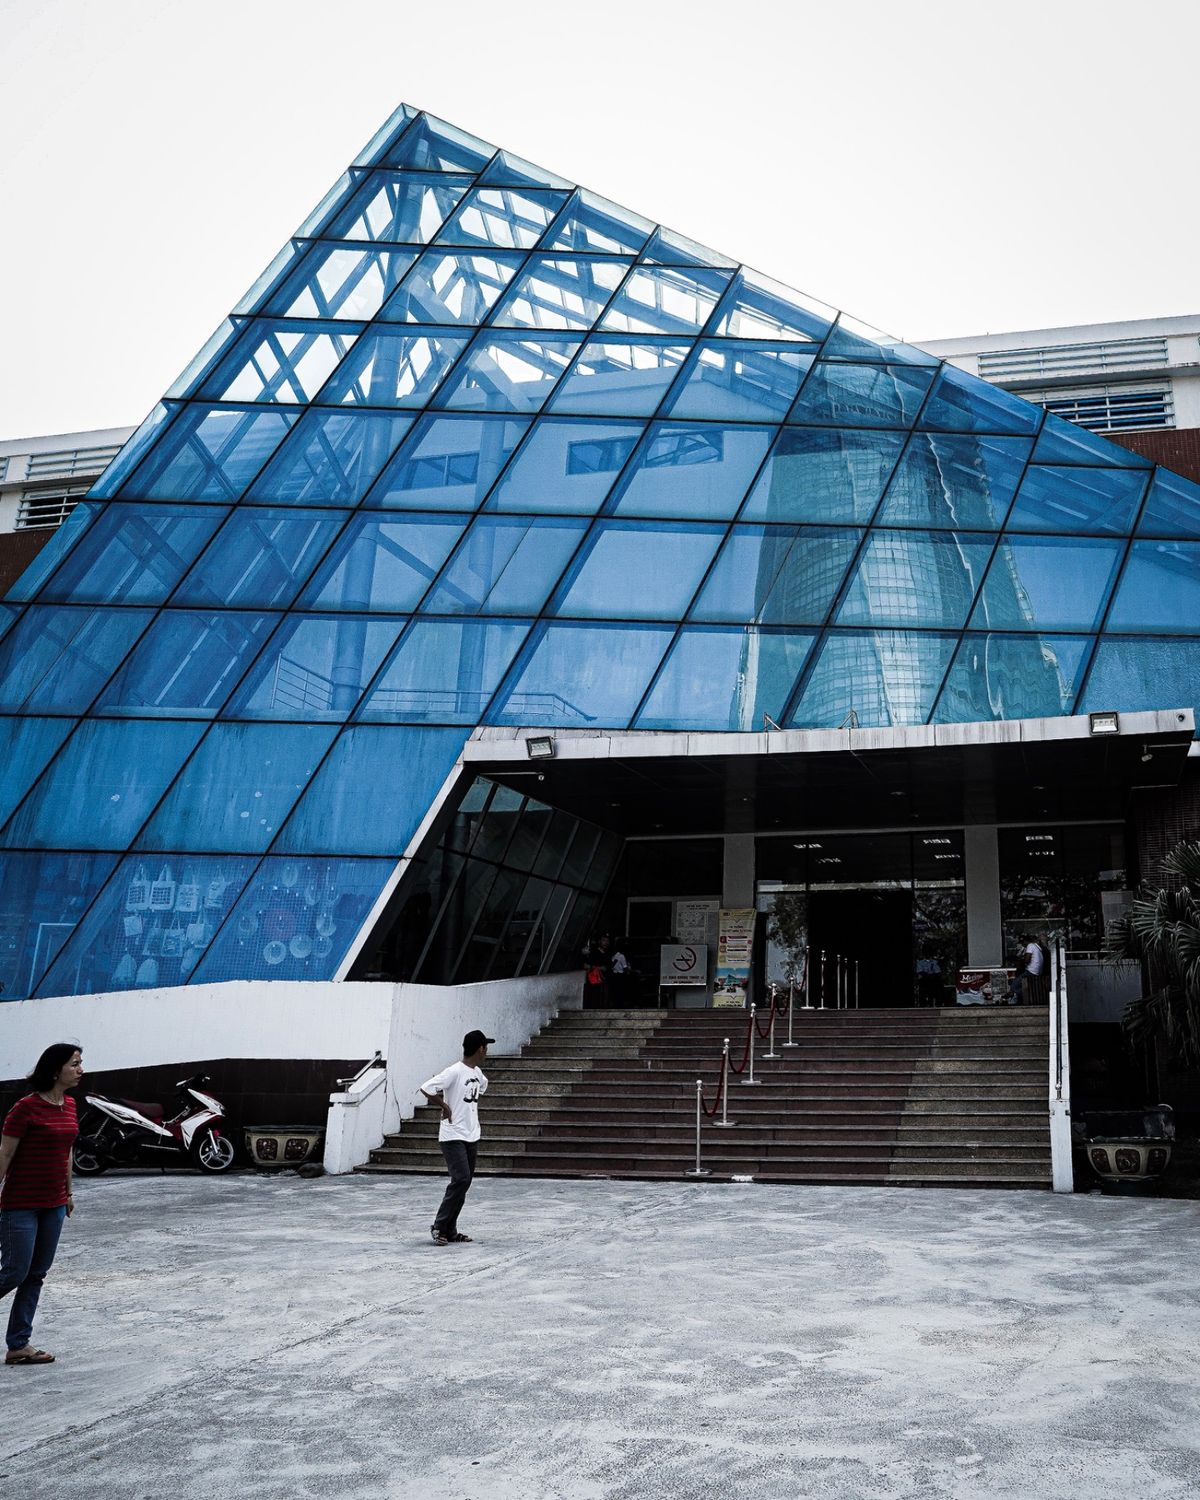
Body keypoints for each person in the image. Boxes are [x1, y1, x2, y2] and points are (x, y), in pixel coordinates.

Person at [0, 1042, 83, 1366]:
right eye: (74, 1064)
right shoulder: (25, 1108)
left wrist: (69, 1193)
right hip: (21, 1204)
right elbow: (5, 1153)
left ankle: (19, 1344)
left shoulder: (71, 1105)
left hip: (54, 1204)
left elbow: (67, 1151)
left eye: (80, 1063)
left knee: (36, 1274)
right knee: (14, 1272)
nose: (80, 1070)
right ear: (55, 1069)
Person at [419, 1029, 493, 1246]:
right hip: (452, 1134)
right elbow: (426, 1088)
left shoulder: (477, 1074)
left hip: (471, 1133)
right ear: (480, 1049)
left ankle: (451, 1230)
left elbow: (482, 1087)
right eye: (485, 1048)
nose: (486, 1052)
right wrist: (444, 1106)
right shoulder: (454, 1071)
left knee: (465, 1181)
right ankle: (439, 1225)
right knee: (460, 1178)